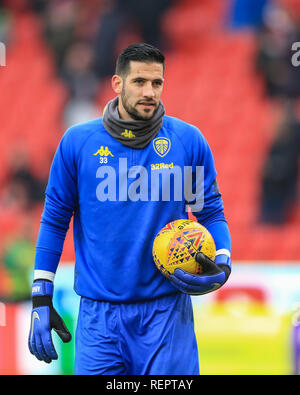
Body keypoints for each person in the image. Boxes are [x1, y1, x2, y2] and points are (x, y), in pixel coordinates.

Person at [28, 43, 232, 375]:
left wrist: (222, 262)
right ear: (117, 83)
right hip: (99, 319)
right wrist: (41, 295)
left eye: (157, 83)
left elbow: (209, 212)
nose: (149, 91)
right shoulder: (78, 143)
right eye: (139, 82)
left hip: (167, 316)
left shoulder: (187, 142)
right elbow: (54, 220)